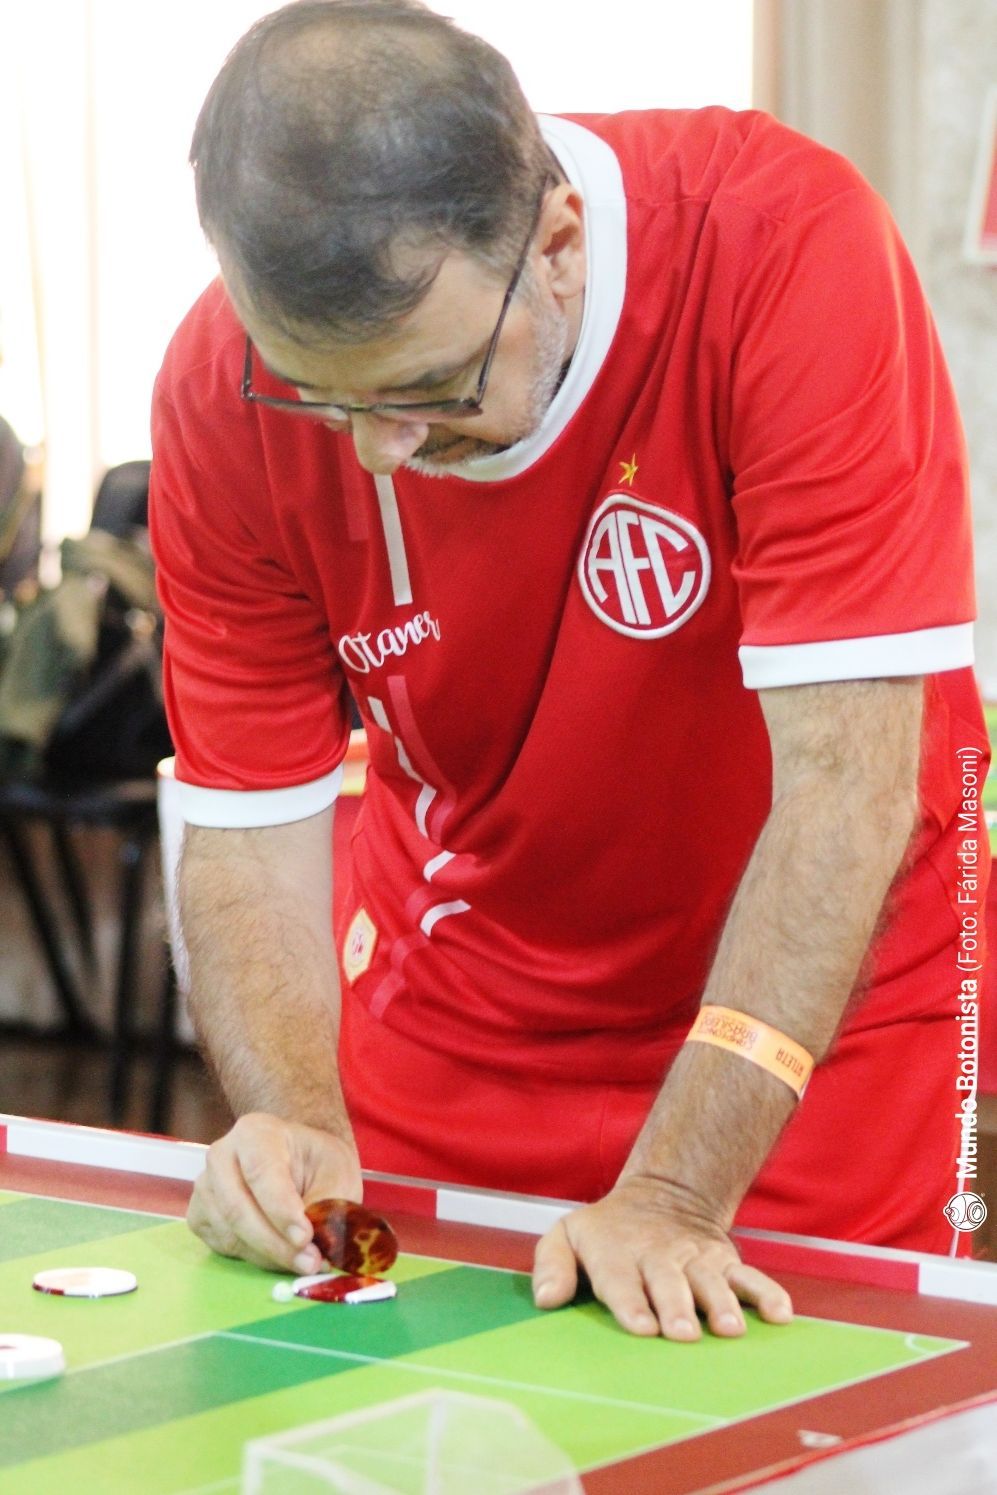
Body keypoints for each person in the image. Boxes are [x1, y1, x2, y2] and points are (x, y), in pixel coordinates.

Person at [149, 0, 991, 1342]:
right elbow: (248, 827)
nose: (374, 450)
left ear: (556, 244)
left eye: (429, 385)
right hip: (463, 1008)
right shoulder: (216, 386)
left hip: (819, 1028)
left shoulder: (782, 245)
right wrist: (293, 1114)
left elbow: (849, 791)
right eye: (317, 394)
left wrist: (674, 1190)